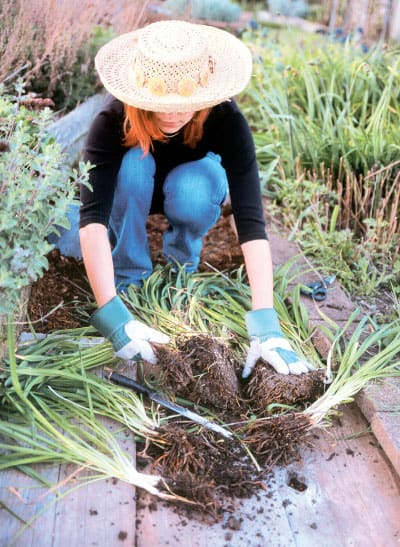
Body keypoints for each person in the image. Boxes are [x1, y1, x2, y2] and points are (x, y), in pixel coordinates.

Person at [79, 19, 314, 378]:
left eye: (184, 102)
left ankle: (178, 270)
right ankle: (128, 274)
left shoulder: (226, 118)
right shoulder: (113, 118)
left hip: (185, 189)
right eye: (161, 101)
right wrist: (111, 318)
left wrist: (267, 328)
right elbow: (92, 219)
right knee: (133, 166)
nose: (173, 112)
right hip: (133, 188)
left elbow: (252, 226)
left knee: (197, 185)